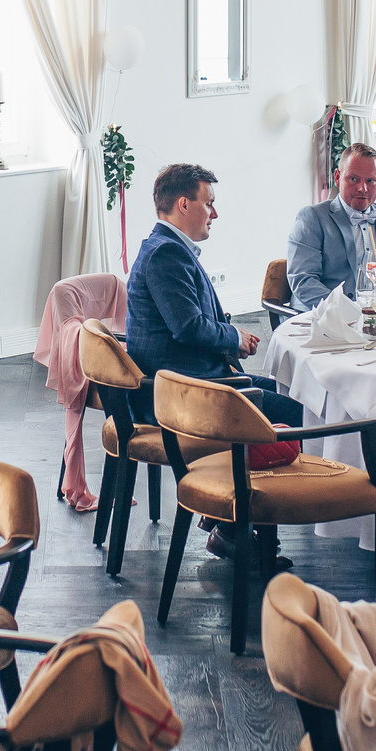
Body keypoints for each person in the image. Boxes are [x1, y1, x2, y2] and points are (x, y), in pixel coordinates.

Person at [127, 163, 304, 569]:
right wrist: (234, 339)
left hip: (189, 382)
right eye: (210, 203)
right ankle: (235, 528)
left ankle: (228, 520)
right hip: (185, 396)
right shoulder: (167, 254)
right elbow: (187, 326)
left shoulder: (163, 248)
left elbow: (189, 321)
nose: (215, 213)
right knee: (300, 412)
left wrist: (230, 337)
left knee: (282, 393)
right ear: (184, 204)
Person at [285, 144, 376, 311]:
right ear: (337, 177)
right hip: (325, 316)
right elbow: (303, 281)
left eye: (370, 181)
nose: (362, 188)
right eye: (353, 179)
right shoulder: (312, 218)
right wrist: (348, 310)